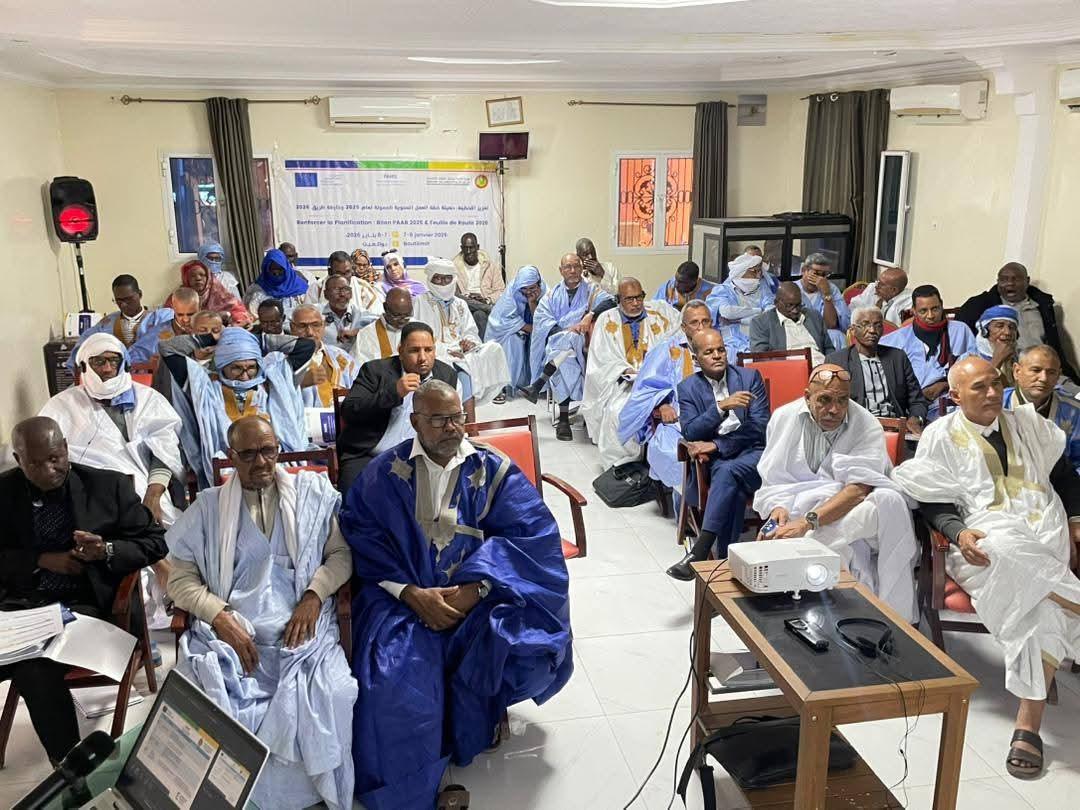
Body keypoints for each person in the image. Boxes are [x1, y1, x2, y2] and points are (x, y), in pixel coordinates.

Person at [341, 380, 572, 809]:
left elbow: (533, 537)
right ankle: (409, 789)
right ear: (415, 422)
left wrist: (477, 589)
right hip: (403, 600)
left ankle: (474, 726)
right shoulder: (384, 473)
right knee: (393, 683)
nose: (451, 427)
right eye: (439, 420)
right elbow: (361, 533)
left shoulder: (493, 469)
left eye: (457, 417)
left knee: (529, 641)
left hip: (478, 597)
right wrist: (411, 593)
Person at [892, 356, 1080, 778]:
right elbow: (933, 501)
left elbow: (1066, 477)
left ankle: (1028, 726)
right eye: (979, 387)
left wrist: (1075, 518)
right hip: (981, 544)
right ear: (956, 395)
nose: (993, 392)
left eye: (996, 383)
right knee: (1007, 545)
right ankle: (1073, 601)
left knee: (1040, 602)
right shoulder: (940, 435)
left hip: (1044, 535)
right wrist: (958, 532)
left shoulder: (1028, 424)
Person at [167, 417, 356, 809]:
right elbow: (179, 581)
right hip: (233, 634)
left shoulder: (312, 494)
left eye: (268, 451)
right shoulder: (208, 508)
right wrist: (219, 617)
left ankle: (305, 798)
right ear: (232, 457)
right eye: (249, 454)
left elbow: (340, 555)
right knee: (206, 697)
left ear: (278, 450)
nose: (261, 462)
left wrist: (314, 595)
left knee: (335, 692)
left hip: (303, 632)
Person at [0, 417, 166, 762]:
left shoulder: (107, 487)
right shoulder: (4, 492)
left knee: (34, 670)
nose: (49, 470)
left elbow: (154, 542)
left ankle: (71, 769)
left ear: (65, 447)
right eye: (35, 463)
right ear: (18, 460)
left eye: (55, 458)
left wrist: (106, 550)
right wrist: (40, 560)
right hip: (20, 608)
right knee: (27, 661)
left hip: (87, 606)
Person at [753, 364, 919, 620]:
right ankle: (800, 619)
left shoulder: (866, 423)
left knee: (887, 501)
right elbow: (773, 478)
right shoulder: (783, 418)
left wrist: (806, 523)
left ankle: (886, 619)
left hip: (846, 507)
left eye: (842, 400)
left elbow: (858, 489)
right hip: (797, 508)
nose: (835, 409)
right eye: (825, 400)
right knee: (775, 544)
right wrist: (778, 509)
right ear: (807, 396)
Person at [664, 329, 771, 581]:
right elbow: (691, 431)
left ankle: (701, 550)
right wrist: (721, 407)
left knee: (727, 471)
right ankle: (724, 565)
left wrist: (717, 445)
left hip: (755, 455)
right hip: (719, 463)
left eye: (721, 350)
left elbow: (759, 427)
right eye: (709, 352)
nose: (717, 356)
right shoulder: (688, 387)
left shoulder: (749, 378)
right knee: (732, 486)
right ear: (696, 358)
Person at [159, 327, 314, 489]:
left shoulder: (273, 382)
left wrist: (254, 339)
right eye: (236, 368)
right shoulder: (204, 387)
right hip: (228, 467)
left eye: (251, 367)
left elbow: (306, 346)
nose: (245, 375)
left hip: (276, 464)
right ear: (222, 366)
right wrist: (211, 338)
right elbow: (167, 348)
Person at [336, 323, 458, 493]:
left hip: (422, 457)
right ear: (400, 351)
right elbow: (349, 411)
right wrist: (394, 392)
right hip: (369, 455)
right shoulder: (375, 370)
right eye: (414, 350)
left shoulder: (446, 375)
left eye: (428, 350)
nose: (422, 358)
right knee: (353, 500)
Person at [580, 278, 679, 468]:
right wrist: (625, 370)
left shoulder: (659, 314)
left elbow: (677, 337)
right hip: (624, 384)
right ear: (619, 300)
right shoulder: (606, 319)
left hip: (660, 383)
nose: (636, 303)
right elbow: (601, 358)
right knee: (616, 413)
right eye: (629, 299)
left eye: (639, 297)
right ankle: (622, 465)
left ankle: (661, 460)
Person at [618, 301, 713, 493]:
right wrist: (662, 405)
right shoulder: (666, 350)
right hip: (679, 419)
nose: (701, 327)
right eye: (694, 322)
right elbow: (645, 387)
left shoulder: (721, 346)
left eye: (705, 321)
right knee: (672, 453)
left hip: (717, 416)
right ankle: (686, 501)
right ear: (683, 327)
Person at [518, 253, 614, 440]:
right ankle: (562, 419)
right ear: (561, 271)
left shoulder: (592, 290)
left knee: (566, 348)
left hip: (583, 344)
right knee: (567, 354)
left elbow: (611, 301)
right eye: (568, 267)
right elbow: (543, 323)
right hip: (561, 345)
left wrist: (589, 315)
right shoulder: (551, 295)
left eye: (576, 266)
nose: (573, 271)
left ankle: (544, 389)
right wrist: (567, 330)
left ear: (582, 269)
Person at [413, 257, 511, 406]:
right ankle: (469, 419)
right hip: (435, 353)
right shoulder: (419, 302)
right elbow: (416, 337)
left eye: (447, 278)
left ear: (453, 279)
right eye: (438, 278)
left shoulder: (460, 304)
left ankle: (493, 393)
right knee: (463, 373)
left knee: (494, 348)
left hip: (462, 352)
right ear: (430, 279)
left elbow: (470, 330)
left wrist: (469, 342)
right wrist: (448, 350)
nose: (443, 283)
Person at [956, 262, 1078, 379]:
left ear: (1027, 281)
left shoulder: (1042, 306)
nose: (1010, 283)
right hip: (1005, 371)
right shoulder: (980, 305)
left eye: (1016, 279)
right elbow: (960, 336)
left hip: (1045, 369)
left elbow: (1055, 344)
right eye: (1004, 279)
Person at [826, 306, 928, 436]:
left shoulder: (898, 357)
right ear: (853, 330)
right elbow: (831, 403)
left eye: (878, 325)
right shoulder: (837, 361)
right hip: (856, 429)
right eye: (865, 325)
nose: (872, 330)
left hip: (894, 428)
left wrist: (916, 419)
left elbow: (917, 400)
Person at [880, 284, 977, 419]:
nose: (930, 316)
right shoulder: (897, 339)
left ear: (942, 305)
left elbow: (974, 367)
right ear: (913, 311)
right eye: (923, 311)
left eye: (935, 309)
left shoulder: (960, 331)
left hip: (954, 403)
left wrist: (944, 385)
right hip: (913, 406)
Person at [67, 274, 175, 371]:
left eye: (128, 299)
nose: (123, 304)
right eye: (119, 300)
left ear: (140, 294)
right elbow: (82, 348)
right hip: (114, 378)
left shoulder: (159, 318)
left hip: (153, 377)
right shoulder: (107, 323)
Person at [1005, 345, 1080, 471]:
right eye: (1036, 370)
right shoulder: (997, 405)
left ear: (1058, 376)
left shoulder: (1074, 412)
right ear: (1017, 371)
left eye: (1051, 372)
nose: (1044, 378)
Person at [484, 265, 547, 397]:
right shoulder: (512, 291)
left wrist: (532, 303)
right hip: (505, 331)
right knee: (514, 340)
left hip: (535, 328)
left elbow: (542, 321)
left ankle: (538, 385)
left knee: (540, 341)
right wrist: (531, 329)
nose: (528, 292)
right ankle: (506, 386)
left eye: (532, 288)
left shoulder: (546, 292)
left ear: (539, 284)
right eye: (524, 288)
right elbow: (503, 320)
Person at [709, 253, 780, 360]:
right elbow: (727, 312)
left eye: (759, 271)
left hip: (760, 339)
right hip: (732, 343)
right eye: (754, 272)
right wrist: (759, 311)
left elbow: (770, 312)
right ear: (741, 273)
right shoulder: (723, 290)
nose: (758, 276)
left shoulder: (762, 287)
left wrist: (739, 320)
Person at [289, 304, 360, 409]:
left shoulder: (341, 357)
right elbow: (271, 399)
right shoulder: (279, 361)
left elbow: (360, 393)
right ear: (292, 327)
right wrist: (299, 383)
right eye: (302, 326)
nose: (310, 332)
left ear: (323, 326)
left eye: (315, 325)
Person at [749, 281, 831, 365]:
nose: (795, 310)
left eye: (798, 305)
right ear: (776, 303)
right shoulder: (760, 323)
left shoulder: (814, 316)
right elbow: (760, 358)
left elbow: (829, 348)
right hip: (790, 367)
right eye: (789, 305)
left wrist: (830, 364)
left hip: (823, 366)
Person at [166, 259, 252, 327]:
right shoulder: (178, 296)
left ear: (208, 277)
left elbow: (239, 311)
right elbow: (166, 318)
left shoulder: (218, 292)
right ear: (186, 279)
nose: (198, 278)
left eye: (202, 275)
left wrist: (233, 319)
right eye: (193, 276)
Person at [452, 232, 505, 337]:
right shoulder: (453, 267)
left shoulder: (490, 266)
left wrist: (487, 300)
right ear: (461, 248)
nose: (468, 252)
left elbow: (501, 290)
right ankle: (487, 308)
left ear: (477, 247)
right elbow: (453, 293)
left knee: (479, 314)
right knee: (460, 298)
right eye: (465, 248)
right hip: (464, 305)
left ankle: (480, 345)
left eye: (471, 248)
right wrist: (467, 297)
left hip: (484, 301)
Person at [796, 253, 850, 350]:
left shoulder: (831, 289)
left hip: (824, 335)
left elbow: (831, 324)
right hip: (799, 334)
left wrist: (826, 293)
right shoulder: (792, 289)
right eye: (816, 274)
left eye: (824, 275)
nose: (820, 279)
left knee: (837, 335)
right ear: (804, 270)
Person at [353, 288, 414, 364]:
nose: (402, 320)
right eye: (396, 315)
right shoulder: (366, 334)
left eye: (407, 315)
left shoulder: (419, 330)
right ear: (385, 307)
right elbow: (357, 366)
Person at [244, 248, 310, 319]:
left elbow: (308, 312)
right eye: (272, 270)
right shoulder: (256, 290)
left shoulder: (300, 288)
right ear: (266, 270)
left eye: (280, 269)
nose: (276, 273)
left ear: (286, 269)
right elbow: (250, 315)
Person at [975, 305, 1020, 388]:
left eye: (1012, 327)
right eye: (1000, 326)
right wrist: (997, 360)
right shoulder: (969, 359)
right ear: (985, 332)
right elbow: (980, 389)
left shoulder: (1022, 358)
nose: (1007, 332)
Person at [320, 274, 365, 353]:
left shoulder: (360, 313)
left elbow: (382, 320)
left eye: (346, 289)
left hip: (354, 359)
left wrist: (358, 331)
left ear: (351, 293)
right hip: (325, 358)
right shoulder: (315, 313)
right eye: (336, 290)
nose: (342, 294)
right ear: (326, 294)